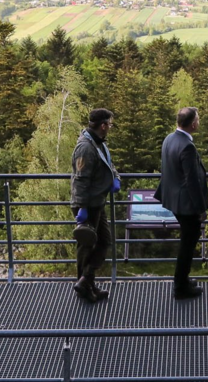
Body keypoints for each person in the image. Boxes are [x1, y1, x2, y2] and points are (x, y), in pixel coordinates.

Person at [156, 106, 208, 299]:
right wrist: (200, 208)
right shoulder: (187, 146)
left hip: (173, 199)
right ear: (193, 123)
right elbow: (191, 181)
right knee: (188, 244)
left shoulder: (169, 139)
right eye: (199, 119)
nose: (199, 122)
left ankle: (183, 280)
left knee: (187, 242)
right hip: (186, 204)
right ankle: (180, 286)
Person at [70, 107, 121, 302]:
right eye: (110, 124)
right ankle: (84, 286)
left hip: (96, 202)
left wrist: (115, 177)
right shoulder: (85, 147)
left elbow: (109, 164)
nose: (111, 127)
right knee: (86, 246)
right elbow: (80, 179)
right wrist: (81, 207)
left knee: (103, 241)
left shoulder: (98, 143)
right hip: (87, 204)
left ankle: (86, 281)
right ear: (103, 125)